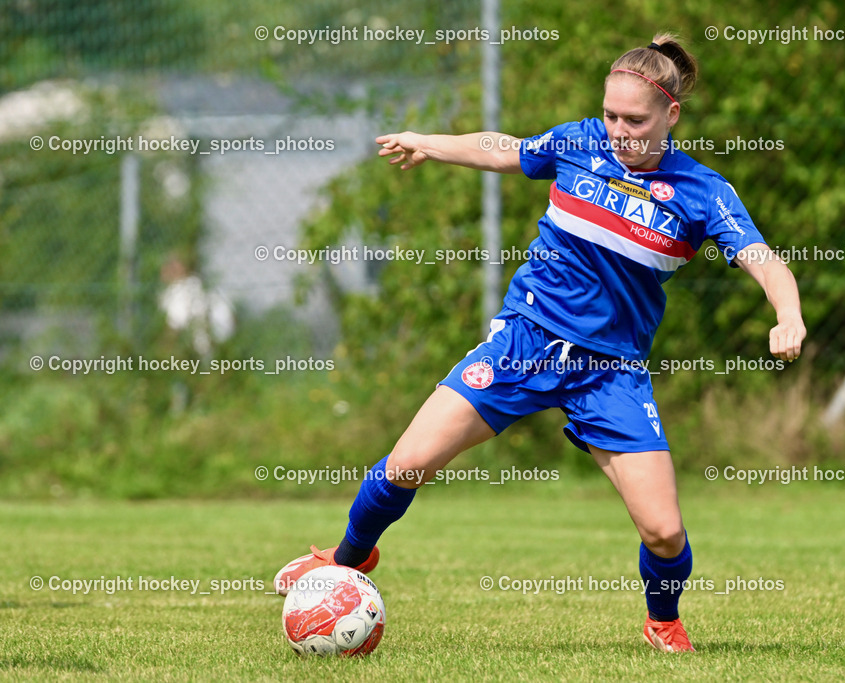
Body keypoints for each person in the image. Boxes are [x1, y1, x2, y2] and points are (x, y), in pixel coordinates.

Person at [275, 33, 805, 653]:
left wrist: (787, 314)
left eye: (635, 121)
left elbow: (764, 260)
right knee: (407, 464)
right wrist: (429, 142)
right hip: (525, 341)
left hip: (610, 371)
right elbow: (505, 149)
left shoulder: (702, 191)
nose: (618, 131)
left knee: (664, 533)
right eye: (610, 115)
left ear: (671, 115)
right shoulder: (580, 143)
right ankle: (346, 561)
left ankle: (663, 620)